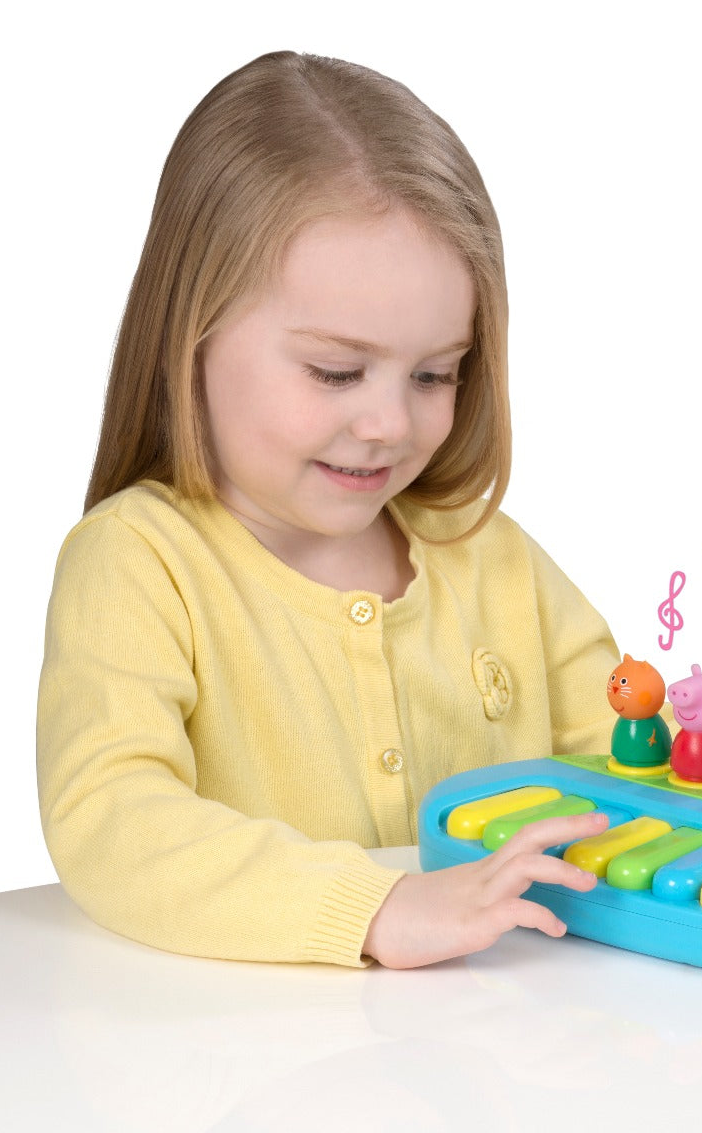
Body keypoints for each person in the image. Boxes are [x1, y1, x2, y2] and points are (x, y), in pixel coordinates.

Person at [37, 50, 616, 970]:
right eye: (336, 371)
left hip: (497, 1040)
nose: (390, 424)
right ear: (190, 333)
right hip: (236, 1053)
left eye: (435, 374)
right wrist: (374, 909)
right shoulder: (138, 564)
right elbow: (113, 823)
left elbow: (633, 766)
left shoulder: (493, 556)